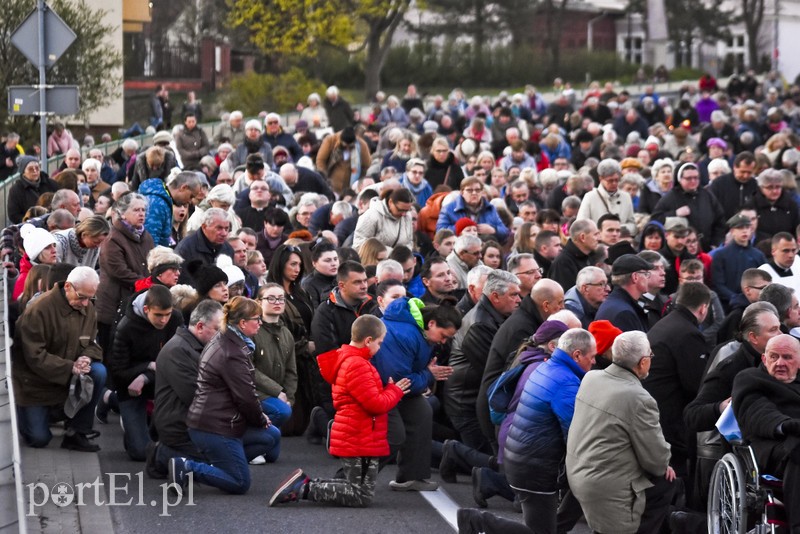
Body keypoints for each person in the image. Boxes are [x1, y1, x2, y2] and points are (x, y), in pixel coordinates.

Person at [269, 315, 410, 507]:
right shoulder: (358, 365)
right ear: (368, 341)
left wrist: (387, 390)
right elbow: (375, 404)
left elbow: (366, 397)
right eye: (379, 343)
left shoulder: (351, 361)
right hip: (361, 436)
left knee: (357, 488)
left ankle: (304, 485)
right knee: (360, 495)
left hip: (358, 434)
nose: (379, 348)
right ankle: (304, 488)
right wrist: (395, 391)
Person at [168, 297, 282, 497]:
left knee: (271, 435)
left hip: (219, 420)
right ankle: (187, 467)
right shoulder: (232, 352)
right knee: (239, 482)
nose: (261, 323)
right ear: (243, 323)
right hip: (214, 426)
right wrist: (260, 418)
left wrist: (260, 419)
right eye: (257, 319)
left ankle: (218, 465)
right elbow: (245, 397)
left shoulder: (228, 339)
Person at [567, 331, 676, 534]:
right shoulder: (639, 398)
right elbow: (657, 461)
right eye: (650, 356)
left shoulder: (591, 378)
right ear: (643, 362)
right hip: (605, 486)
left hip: (577, 473)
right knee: (667, 482)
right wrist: (664, 463)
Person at [504, 328, 596, 534]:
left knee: (545, 525)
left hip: (523, 460)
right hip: (535, 468)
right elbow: (575, 433)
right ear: (577, 355)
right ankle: (480, 522)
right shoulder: (567, 383)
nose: (595, 362)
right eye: (592, 356)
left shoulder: (547, 367)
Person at [12, 266, 106, 452]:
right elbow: (34, 356)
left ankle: (77, 432)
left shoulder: (88, 308)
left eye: (91, 298)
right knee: (39, 439)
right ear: (68, 287)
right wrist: (70, 367)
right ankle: (29, 415)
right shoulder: (39, 310)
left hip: (65, 382)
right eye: (82, 297)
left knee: (98, 371)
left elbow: (93, 344)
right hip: (34, 387)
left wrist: (86, 357)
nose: (86, 304)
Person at [372, 296, 461, 491]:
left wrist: (425, 375)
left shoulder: (419, 331)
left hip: (393, 388)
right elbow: (399, 380)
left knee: (422, 412)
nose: (443, 342)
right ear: (431, 323)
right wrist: (428, 375)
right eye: (443, 336)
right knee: (395, 435)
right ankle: (353, 476)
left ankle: (412, 476)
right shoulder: (406, 334)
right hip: (379, 389)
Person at [643, 282, 711, 483]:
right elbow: (696, 384)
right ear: (703, 308)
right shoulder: (688, 333)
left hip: (655, 410)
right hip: (671, 420)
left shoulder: (666, 323)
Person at [447, 270, 522, 452]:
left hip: (477, 399)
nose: (519, 300)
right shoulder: (479, 324)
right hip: (466, 404)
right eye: (514, 295)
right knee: (491, 461)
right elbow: (494, 368)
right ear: (495, 296)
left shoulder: (494, 315)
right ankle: (453, 453)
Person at [732, 334, 800, 531]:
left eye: (787, 357)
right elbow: (759, 413)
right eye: (774, 357)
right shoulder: (750, 378)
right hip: (770, 445)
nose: (780, 363)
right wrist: (788, 425)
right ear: (764, 359)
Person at [150, 300, 223, 478]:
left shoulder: (201, 346)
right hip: (180, 426)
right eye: (218, 329)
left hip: (197, 419)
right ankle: (162, 455)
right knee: (220, 463)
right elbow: (196, 396)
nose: (223, 335)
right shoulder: (178, 350)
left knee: (265, 439)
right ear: (199, 326)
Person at [110, 285, 183, 461]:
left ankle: (149, 423)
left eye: (167, 314)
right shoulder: (126, 327)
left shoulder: (176, 319)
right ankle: (113, 402)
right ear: (146, 309)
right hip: (130, 386)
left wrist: (146, 375)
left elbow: (178, 361)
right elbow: (118, 371)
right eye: (158, 315)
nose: (164, 320)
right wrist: (148, 365)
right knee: (141, 452)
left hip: (161, 382)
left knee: (172, 442)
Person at [95, 193, 155, 354]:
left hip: (136, 301)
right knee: (111, 351)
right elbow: (118, 271)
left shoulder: (146, 236)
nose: (141, 213)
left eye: (143, 210)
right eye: (136, 210)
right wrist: (146, 283)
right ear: (122, 213)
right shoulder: (113, 239)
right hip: (113, 304)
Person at [252, 284, 298, 436]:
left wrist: (289, 398)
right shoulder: (253, 331)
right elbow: (249, 368)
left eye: (280, 299)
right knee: (282, 412)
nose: (277, 302)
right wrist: (277, 391)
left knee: (271, 454)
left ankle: (263, 438)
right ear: (259, 302)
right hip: (257, 393)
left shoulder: (286, 333)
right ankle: (254, 436)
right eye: (271, 298)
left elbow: (292, 372)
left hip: (279, 396)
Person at [436, 178, 510, 243]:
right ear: (462, 192)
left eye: (477, 190)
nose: (474, 193)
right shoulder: (448, 209)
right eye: (469, 190)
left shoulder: (490, 208)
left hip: (485, 248)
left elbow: (505, 232)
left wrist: (493, 230)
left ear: (481, 192)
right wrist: (462, 228)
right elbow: (440, 233)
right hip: (459, 247)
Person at [174, 208, 235, 286]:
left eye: (226, 229)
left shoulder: (228, 249)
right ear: (204, 227)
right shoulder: (186, 248)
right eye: (219, 228)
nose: (224, 233)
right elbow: (181, 281)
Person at [576, 159, 636, 235]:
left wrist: (619, 229)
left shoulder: (626, 197)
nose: (614, 183)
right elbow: (581, 224)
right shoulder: (590, 197)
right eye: (610, 181)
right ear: (601, 178)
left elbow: (632, 224)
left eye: (617, 180)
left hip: (620, 241)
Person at [595, 254, 653, 332]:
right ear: (635, 277)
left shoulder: (616, 303)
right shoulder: (624, 314)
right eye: (646, 274)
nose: (648, 278)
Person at [353, 188, 415, 252]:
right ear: (390, 202)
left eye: (407, 210)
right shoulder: (371, 216)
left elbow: (409, 241)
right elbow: (359, 244)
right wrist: (389, 253)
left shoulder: (407, 216)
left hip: (400, 260)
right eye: (400, 210)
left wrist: (406, 253)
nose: (404, 214)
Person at [549, 220, 600, 292]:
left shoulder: (590, 256)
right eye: (595, 234)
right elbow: (567, 294)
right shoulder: (563, 262)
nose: (599, 238)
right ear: (582, 237)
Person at [7, 155, 60, 224]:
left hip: (53, 222)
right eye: (30, 169)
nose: (35, 171)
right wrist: (28, 222)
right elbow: (13, 214)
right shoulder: (16, 190)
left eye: (37, 168)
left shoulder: (50, 183)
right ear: (23, 172)